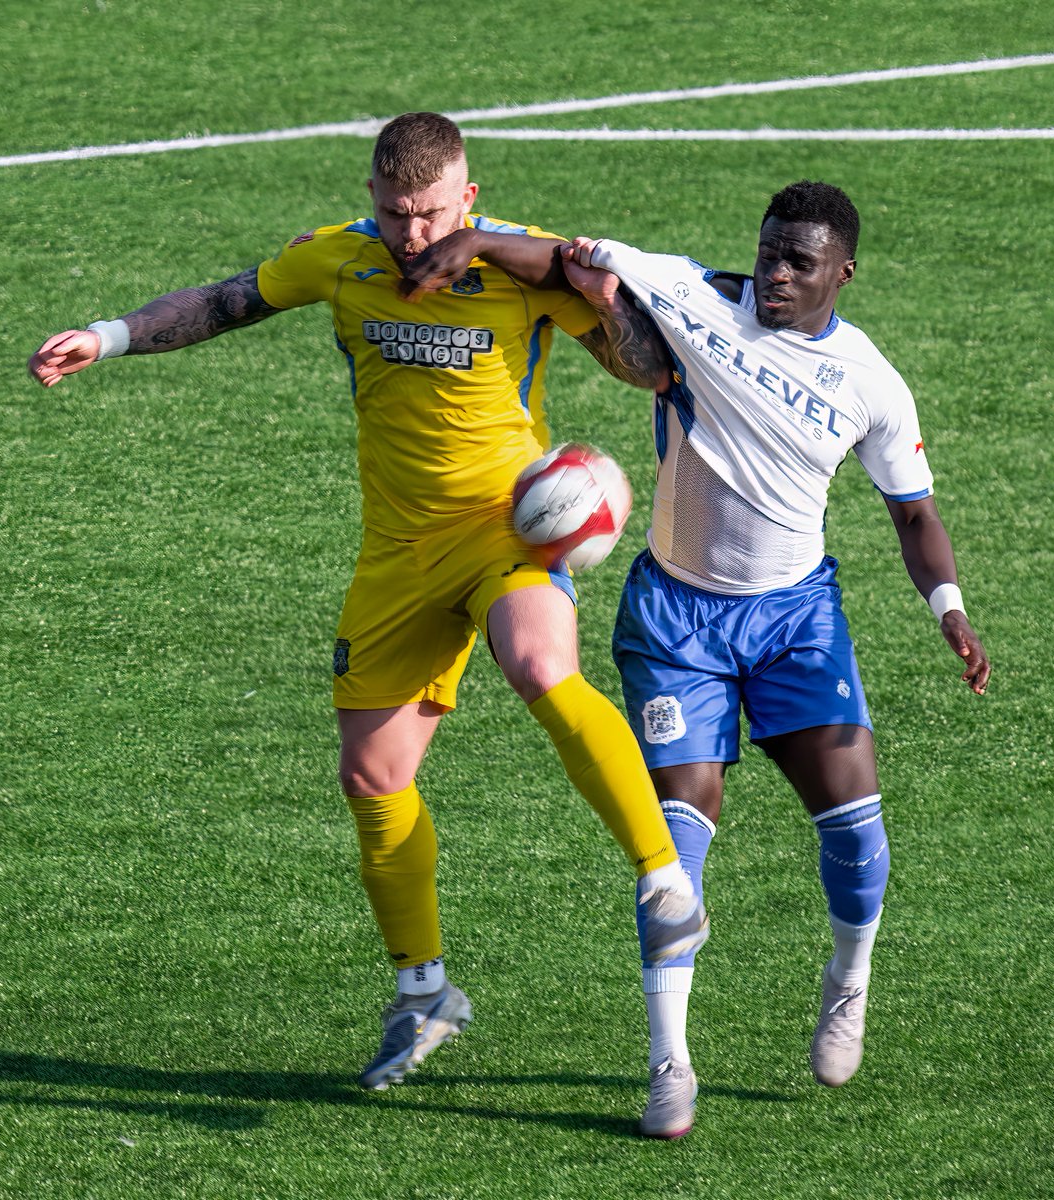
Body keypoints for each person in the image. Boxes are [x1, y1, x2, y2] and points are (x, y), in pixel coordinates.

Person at [26, 111, 709, 1092]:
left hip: (502, 532)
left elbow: (649, 368)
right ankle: (425, 992)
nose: (412, 235)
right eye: (394, 214)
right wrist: (109, 336)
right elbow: (225, 304)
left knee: (539, 665)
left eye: (430, 214)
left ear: (467, 198)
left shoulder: (522, 271)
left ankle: (662, 878)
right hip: (395, 559)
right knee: (373, 777)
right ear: (373, 202)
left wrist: (602, 297)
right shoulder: (341, 261)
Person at [403, 179, 990, 1136]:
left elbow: (914, 510)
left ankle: (850, 980)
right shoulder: (690, 292)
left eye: (800, 263)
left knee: (855, 827)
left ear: (843, 273)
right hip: (677, 620)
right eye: (768, 253)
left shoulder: (870, 382)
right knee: (675, 848)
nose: (776, 275)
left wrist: (950, 610)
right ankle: (669, 1063)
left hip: (795, 618)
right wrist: (468, 241)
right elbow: (566, 259)